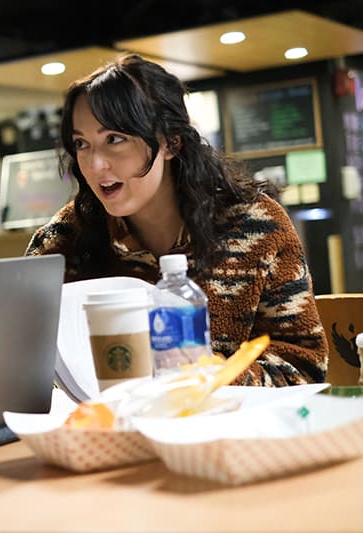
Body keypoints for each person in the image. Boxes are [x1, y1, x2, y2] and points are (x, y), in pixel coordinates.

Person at [26, 54, 328, 387]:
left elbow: (305, 367)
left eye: (114, 139)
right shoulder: (64, 241)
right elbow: (20, 361)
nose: (95, 165)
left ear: (171, 141)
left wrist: (211, 377)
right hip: (106, 431)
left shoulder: (256, 227)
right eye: (82, 144)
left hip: (229, 431)